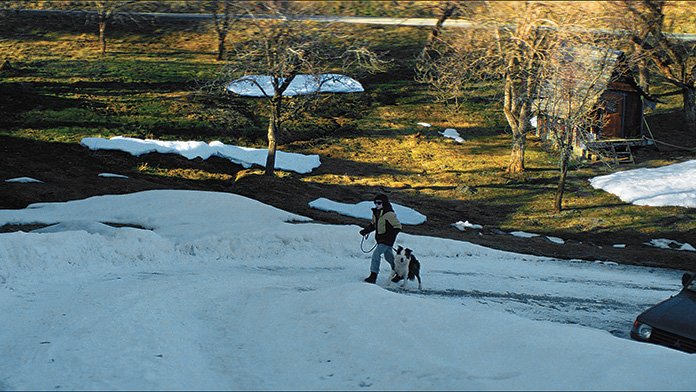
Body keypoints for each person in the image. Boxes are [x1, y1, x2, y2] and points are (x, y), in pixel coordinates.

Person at [359, 193, 402, 283]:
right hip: (380, 239)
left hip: (386, 240)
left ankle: (373, 276)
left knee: (376, 254)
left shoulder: (389, 214)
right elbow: (374, 224)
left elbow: (398, 226)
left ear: (384, 203)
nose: (377, 205)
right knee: (388, 257)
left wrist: (390, 237)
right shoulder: (376, 213)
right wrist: (365, 231)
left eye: (379, 203)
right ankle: (399, 273)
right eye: (375, 203)